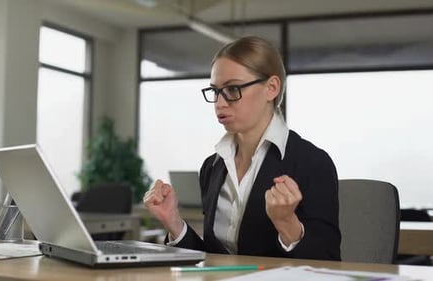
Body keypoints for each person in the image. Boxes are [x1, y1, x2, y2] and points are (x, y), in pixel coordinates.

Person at [143, 36, 341, 260]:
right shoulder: (212, 167)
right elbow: (213, 260)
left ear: (271, 88)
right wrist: (174, 223)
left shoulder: (312, 163)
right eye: (215, 91)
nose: (219, 103)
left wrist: (287, 224)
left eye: (232, 89)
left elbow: (329, 262)